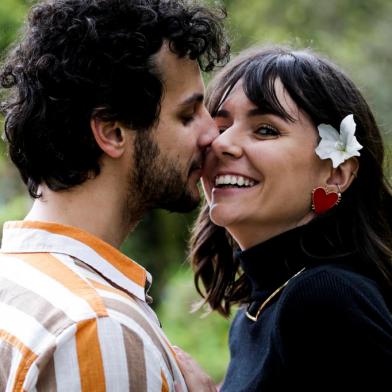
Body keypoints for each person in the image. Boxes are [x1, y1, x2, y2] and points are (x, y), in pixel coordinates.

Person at [0, 0, 229, 390]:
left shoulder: (16, 280)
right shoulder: (97, 329)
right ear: (112, 132)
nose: (212, 134)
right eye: (187, 115)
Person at [182, 46, 392, 390]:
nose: (222, 144)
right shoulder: (259, 309)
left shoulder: (325, 298)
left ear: (336, 173)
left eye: (265, 130)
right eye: (220, 126)